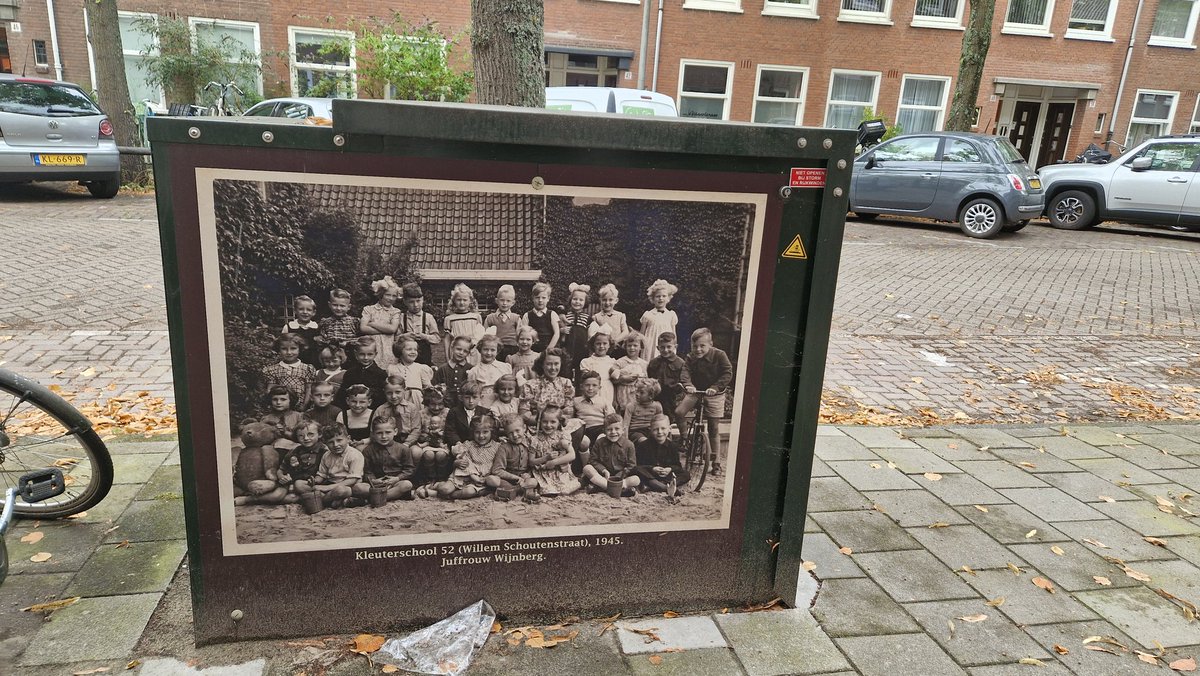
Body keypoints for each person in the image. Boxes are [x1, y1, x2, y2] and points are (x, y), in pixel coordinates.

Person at [676, 327, 733, 475]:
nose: (698, 349)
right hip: (696, 392)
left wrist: (715, 387)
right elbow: (685, 371)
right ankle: (684, 439)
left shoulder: (720, 355)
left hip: (715, 394)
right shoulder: (690, 357)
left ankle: (716, 463)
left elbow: (727, 373)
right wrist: (688, 385)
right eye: (695, 346)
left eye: (702, 346)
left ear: (711, 344)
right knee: (679, 412)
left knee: (713, 428)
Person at [294, 423, 365, 508]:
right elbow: (321, 475)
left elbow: (352, 480)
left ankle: (322, 501)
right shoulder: (327, 455)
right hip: (330, 483)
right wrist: (315, 481)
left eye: (339, 440)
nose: (335, 445)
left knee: (341, 490)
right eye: (331, 442)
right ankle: (335, 500)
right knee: (298, 484)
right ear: (325, 443)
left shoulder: (355, 455)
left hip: (348, 486)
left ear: (348, 439)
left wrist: (327, 488)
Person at [436, 414, 501, 500]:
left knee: (469, 492)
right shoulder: (467, 445)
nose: (481, 436)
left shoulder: (497, 447)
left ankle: (445, 495)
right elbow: (463, 460)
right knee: (445, 489)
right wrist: (457, 463)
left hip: (481, 480)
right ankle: (436, 486)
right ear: (472, 432)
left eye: (485, 432)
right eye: (477, 432)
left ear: (491, 432)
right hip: (463, 476)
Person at [581, 414, 641, 496]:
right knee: (587, 468)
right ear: (604, 431)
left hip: (621, 478)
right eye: (609, 429)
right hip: (603, 477)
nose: (613, 432)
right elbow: (592, 460)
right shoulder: (599, 443)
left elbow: (632, 465)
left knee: (636, 479)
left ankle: (601, 488)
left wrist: (619, 476)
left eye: (617, 429)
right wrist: (604, 470)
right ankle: (618, 490)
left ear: (623, 430)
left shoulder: (629, 445)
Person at [360, 415, 415, 503]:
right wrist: (374, 480)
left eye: (388, 432)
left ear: (395, 431)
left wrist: (397, 478)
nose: (384, 436)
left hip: (395, 483)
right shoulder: (368, 451)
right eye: (379, 433)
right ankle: (389, 496)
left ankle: (376, 498)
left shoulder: (403, 449)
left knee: (407, 485)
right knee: (358, 487)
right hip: (376, 484)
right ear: (373, 434)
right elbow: (367, 471)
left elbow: (409, 470)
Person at [529, 405, 580, 497]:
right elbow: (531, 462)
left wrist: (554, 462)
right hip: (543, 473)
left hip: (560, 471)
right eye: (545, 422)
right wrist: (546, 458)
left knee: (566, 490)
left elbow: (572, 455)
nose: (548, 425)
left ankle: (579, 483)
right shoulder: (535, 439)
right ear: (539, 422)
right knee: (547, 491)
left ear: (559, 422)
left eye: (553, 422)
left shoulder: (562, 436)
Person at [635, 414, 689, 501]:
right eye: (656, 429)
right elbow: (639, 465)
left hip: (666, 475)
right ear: (650, 430)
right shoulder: (643, 445)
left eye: (663, 428)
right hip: (650, 475)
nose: (660, 432)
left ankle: (665, 485)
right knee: (638, 471)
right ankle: (665, 488)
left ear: (669, 429)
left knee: (686, 474)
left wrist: (669, 469)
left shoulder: (673, 446)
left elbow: (677, 466)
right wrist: (653, 468)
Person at [485, 415, 540, 500]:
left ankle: (511, 491)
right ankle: (518, 490)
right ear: (506, 433)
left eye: (517, 430)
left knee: (534, 481)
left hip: (524, 480)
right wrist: (514, 477)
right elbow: (497, 470)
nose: (515, 435)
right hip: (507, 480)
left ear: (524, 428)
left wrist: (528, 474)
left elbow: (533, 464)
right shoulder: (504, 448)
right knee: (491, 480)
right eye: (510, 433)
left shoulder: (530, 444)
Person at [520, 347, 576, 428]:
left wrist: (557, 421)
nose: (553, 368)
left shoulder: (566, 383)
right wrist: (545, 423)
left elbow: (568, 412)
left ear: (561, 364)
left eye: (556, 364)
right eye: (549, 364)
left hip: (559, 426)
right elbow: (524, 415)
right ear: (542, 365)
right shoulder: (530, 385)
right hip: (536, 427)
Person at [261, 333, 317, 410]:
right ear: (279, 350)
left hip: (299, 408)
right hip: (280, 406)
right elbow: (270, 389)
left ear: (300, 349)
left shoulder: (307, 368)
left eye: (293, 348)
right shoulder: (273, 369)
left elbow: (309, 389)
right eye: (284, 349)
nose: (289, 352)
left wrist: (304, 406)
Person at [359, 276, 403, 369]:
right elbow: (363, 328)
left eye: (394, 296)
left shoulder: (395, 312)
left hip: (389, 349)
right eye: (388, 295)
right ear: (380, 294)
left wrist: (372, 323)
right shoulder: (369, 309)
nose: (391, 298)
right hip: (372, 347)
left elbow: (392, 329)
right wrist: (385, 329)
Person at [647, 332, 689, 426]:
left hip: (672, 398)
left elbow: (684, 381)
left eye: (669, 347)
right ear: (658, 348)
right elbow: (649, 380)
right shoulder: (653, 363)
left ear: (675, 346)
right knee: (655, 421)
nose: (665, 350)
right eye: (662, 347)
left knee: (669, 421)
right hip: (656, 398)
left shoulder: (680, 363)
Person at [276, 419, 326, 497]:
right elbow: (281, 469)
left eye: (310, 434)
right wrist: (282, 477)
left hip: (318, 484)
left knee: (298, 486)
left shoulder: (325, 452)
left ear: (319, 434)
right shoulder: (294, 452)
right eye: (301, 436)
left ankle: (319, 497)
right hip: (296, 484)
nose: (306, 438)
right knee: (280, 495)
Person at [374, 376, 422, 450]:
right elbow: (374, 429)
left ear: (405, 390)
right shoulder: (381, 409)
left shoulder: (412, 408)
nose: (393, 396)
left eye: (398, 392)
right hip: (386, 441)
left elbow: (416, 429)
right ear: (384, 392)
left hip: (407, 441)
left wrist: (406, 444)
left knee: (416, 452)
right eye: (389, 393)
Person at [398, 282, 440, 367]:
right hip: (406, 360)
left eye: (418, 301)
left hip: (424, 360)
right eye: (411, 302)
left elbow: (437, 339)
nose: (416, 305)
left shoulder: (428, 317)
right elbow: (395, 339)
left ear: (423, 299)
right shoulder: (401, 318)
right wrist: (404, 336)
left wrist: (425, 337)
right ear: (405, 302)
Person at [338, 337, 387, 409]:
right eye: (362, 354)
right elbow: (342, 394)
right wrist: (350, 389)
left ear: (375, 354)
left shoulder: (380, 374)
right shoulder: (350, 373)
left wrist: (369, 390)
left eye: (370, 354)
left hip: (372, 410)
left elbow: (382, 396)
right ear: (356, 354)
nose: (366, 358)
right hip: (352, 409)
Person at [443, 283, 485, 365]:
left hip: (473, 351)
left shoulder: (476, 317)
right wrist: (447, 357)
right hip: (457, 351)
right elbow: (447, 339)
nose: (462, 302)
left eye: (465, 300)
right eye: (459, 300)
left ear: (470, 301)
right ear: (454, 301)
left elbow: (480, 335)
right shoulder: (449, 319)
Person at [387, 335, 434, 406]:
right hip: (398, 399)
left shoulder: (421, 368)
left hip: (417, 401)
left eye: (415, 350)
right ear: (400, 350)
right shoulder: (392, 368)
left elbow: (427, 387)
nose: (413, 352)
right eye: (409, 349)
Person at [639, 279, 679, 361]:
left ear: (668, 298)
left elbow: (674, 334)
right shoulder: (648, 315)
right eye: (658, 296)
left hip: (666, 345)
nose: (661, 298)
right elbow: (641, 335)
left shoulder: (671, 315)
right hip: (651, 346)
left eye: (664, 296)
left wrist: (674, 347)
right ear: (652, 299)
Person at [468, 334, 512, 407]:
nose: (489, 353)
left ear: (497, 351)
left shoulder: (505, 367)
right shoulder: (474, 371)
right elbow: (472, 392)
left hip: (502, 404)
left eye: (492, 350)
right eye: (485, 349)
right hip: (483, 405)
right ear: (480, 350)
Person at [560, 282, 592, 379]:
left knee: (580, 372)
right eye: (575, 299)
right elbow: (558, 331)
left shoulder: (588, 318)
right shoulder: (566, 316)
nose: (577, 302)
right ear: (570, 300)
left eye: (581, 300)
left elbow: (591, 335)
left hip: (582, 350)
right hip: (567, 349)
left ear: (585, 302)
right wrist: (562, 330)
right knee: (566, 371)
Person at [445, 381, 491, 447]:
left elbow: (489, 431)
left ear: (480, 397)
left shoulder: (485, 412)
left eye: (474, 397)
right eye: (467, 397)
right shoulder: (454, 412)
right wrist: (458, 442)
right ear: (461, 398)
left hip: (480, 445)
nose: (471, 401)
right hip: (460, 444)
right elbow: (450, 431)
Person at [579, 329, 617, 408]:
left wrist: (615, 399)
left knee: (607, 411)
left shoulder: (613, 362)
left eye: (605, 343)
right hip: (592, 390)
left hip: (608, 391)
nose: (601, 346)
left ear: (609, 345)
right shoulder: (587, 362)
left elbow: (616, 382)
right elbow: (585, 380)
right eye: (598, 343)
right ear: (593, 345)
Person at [588, 284, 630, 357]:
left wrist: (615, 340)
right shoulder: (596, 317)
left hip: (617, 347)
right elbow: (593, 335)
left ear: (616, 300)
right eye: (604, 300)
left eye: (610, 300)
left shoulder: (620, 316)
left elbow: (625, 332)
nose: (607, 303)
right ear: (600, 300)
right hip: (603, 349)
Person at [612, 331, 649, 413]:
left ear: (641, 347)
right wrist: (623, 379)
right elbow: (613, 381)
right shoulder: (620, 362)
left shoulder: (644, 364)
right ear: (625, 347)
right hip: (623, 396)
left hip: (638, 396)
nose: (632, 348)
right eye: (629, 346)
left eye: (635, 345)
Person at [484, 284, 521, 363]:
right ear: (497, 301)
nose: (504, 303)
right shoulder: (490, 318)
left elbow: (519, 335)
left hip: (512, 349)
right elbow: (485, 337)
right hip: (496, 349)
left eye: (508, 301)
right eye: (502, 300)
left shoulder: (516, 318)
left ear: (513, 302)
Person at [433, 335, 473, 409]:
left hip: (464, 405)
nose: (461, 353)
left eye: (465, 351)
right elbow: (435, 387)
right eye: (458, 349)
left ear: (468, 353)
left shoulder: (471, 369)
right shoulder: (443, 368)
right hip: (446, 405)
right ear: (452, 347)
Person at [521, 282, 560, 354]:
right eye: (537, 297)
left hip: (549, 350)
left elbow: (556, 334)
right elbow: (524, 334)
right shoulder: (527, 315)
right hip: (531, 351)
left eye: (543, 298)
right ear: (533, 298)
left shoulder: (552, 314)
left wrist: (548, 350)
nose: (540, 300)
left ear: (548, 298)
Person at [281, 295, 321, 366]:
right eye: (301, 309)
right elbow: (282, 345)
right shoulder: (289, 327)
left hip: (314, 362)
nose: (305, 312)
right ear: (295, 311)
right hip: (293, 362)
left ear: (314, 312)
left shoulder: (317, 327)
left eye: (309, 310)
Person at [625, 379, 663, 445]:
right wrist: (625, 441)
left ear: (651, 396)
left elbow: (661, 422)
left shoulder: (657, 406)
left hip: (651, 430)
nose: (637, 394)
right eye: (637, 391)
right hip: (635, 432)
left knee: (659, 439)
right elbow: (625, 425)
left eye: (641, 392)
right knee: (644, 441)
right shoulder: (631, 406)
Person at [338, 384, 374, 448]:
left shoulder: (373, 415)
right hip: (348, 447)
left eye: (362, 402)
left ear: (369, 402)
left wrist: (362, 442)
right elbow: (339, 434)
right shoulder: (342, 415)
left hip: (369, 448)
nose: (357, 405)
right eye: (354, 401)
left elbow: (376, 435)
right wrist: (348, 441)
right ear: (348, 401)